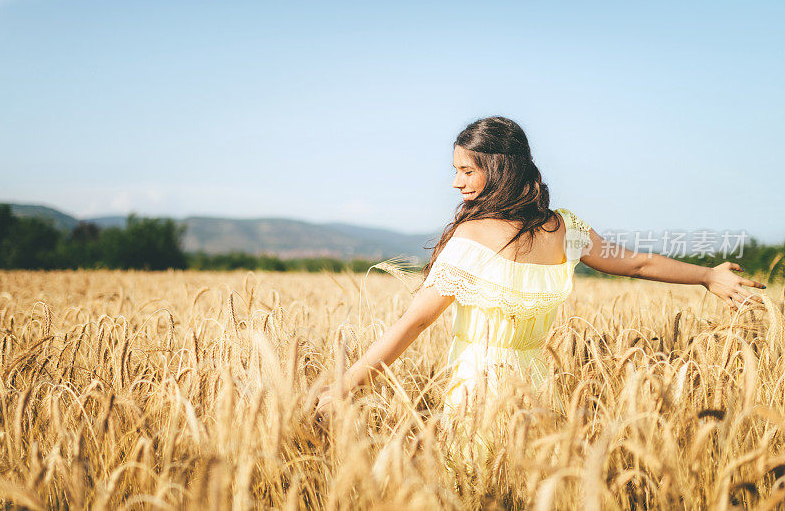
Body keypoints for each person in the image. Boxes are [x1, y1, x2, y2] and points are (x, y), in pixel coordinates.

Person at [312, 116, 766, 458]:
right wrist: (707, 275)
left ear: (499, 168)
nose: (456, 182)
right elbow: (637, 263)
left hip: (475, 391)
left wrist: (345, 384)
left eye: (467, 170)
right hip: (538, 388)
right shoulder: (562, 227)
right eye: (455, 170)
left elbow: (413, 322)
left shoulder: (470, 240)